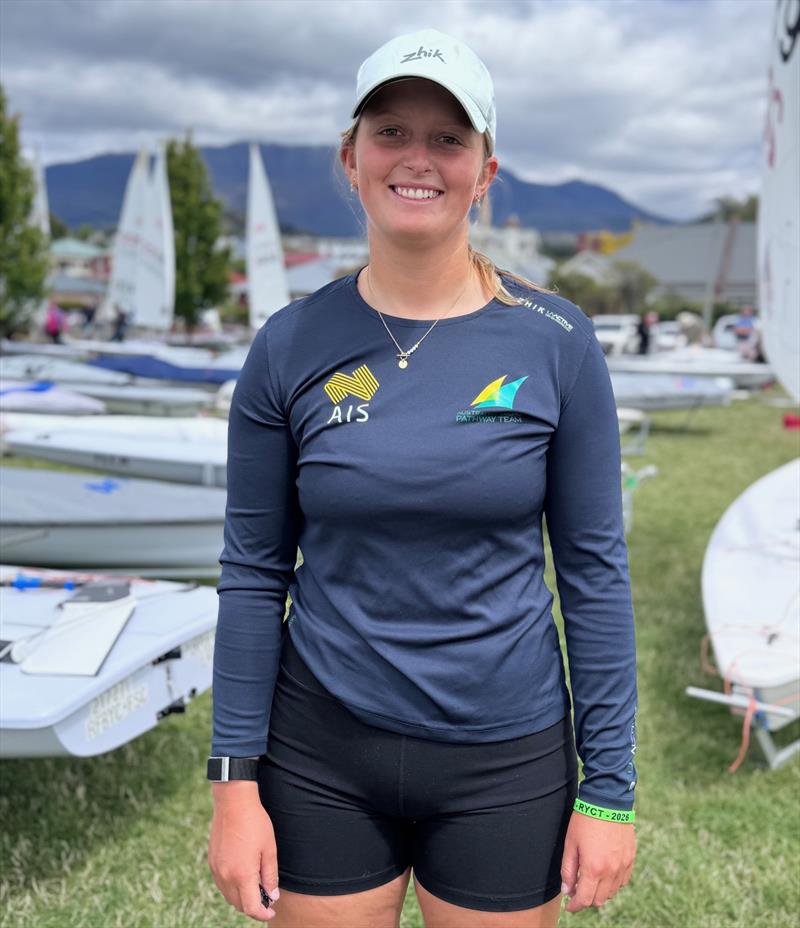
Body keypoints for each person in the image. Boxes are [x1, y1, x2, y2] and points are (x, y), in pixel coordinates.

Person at [207, 28, 638, 928]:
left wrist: (609, 791)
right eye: (392, 132)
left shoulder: (555, 342)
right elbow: (252, 572)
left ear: (484, 172)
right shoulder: (291, 345)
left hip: (506, 757)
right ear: (351, 158)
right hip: (320, 751)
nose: (418, 159)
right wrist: (234, 785)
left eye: (448, 139)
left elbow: (594, 574)